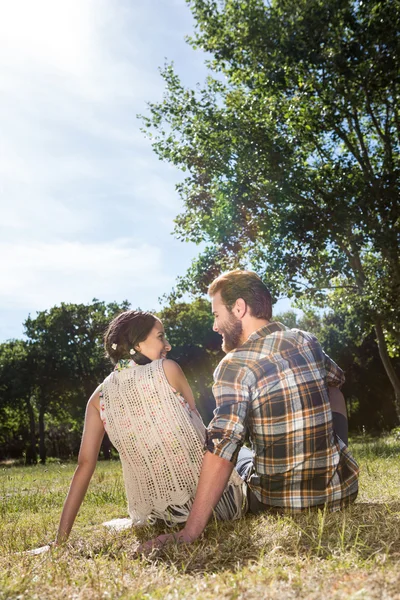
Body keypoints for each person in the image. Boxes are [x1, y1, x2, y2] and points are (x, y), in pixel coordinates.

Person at [142, 270, 359, 551]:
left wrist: (190, 532)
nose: (215, 325)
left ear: (239, 308)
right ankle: (333, 460)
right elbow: (336, 383)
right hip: (341, 492)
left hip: (279, 503)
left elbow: (223, 448)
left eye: (216, 315)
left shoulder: (234, 364)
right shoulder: (307, 340)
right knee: (332, 393)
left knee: (238, 453)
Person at [55, 310, 245, 544]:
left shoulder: (98, 399)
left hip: (157, 518)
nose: (168, 345)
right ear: (137, 344)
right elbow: (196, 419)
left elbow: (84, 465)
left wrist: (60, 539)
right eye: (160, 337)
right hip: (217, 504)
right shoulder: (168, 369)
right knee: (245, 455)